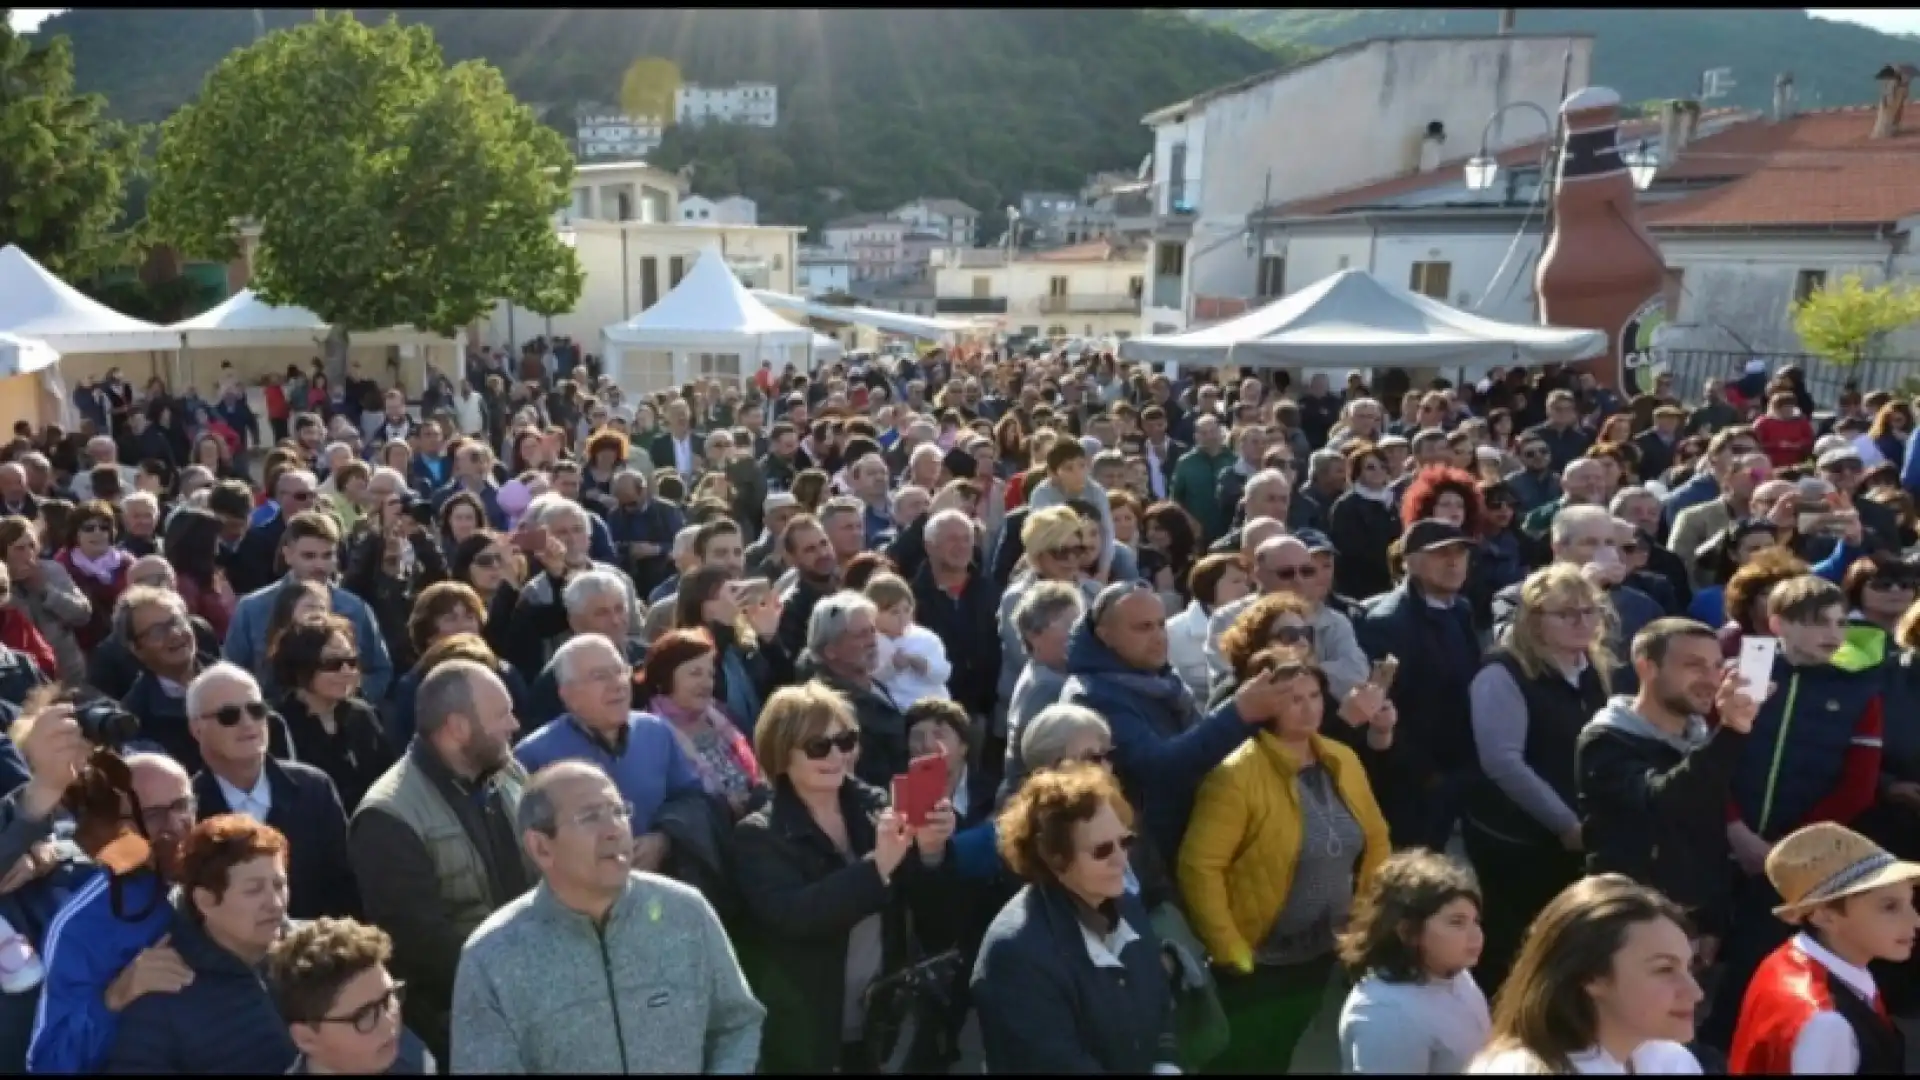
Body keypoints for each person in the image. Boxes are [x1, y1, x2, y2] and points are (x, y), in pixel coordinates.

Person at [450, 760, 764, 1072]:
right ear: (541, 847)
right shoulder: (492, 957)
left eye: (618, 811)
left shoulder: (686, 913)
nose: (614, 829)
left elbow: (736, 1024)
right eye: (589, 817)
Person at [1179, 646, 1394, 1072]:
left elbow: (1377, 838)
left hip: (1323, 951)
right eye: (1293, 698)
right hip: (1259, 961)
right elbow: (1199, 867)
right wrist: (1231, 951)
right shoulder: (1236, 775)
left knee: (1284, 1048)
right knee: (1244, 1059)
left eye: (1314, 695)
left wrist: (1365, 921)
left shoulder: (1342, 757)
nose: (1308, 708)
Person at [729, 683, 957, 1074]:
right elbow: (795, 917)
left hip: (886, 1017)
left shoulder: (876, 809)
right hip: (811, 1031)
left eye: (846, 740)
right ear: (782, 754)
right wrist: (876, 868)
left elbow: (933, 913)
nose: (837, 755)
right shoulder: (759, 835)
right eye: (819, 746)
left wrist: (933, 851)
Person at [348, 660, 534, 1065]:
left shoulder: (509, 774)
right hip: (462, 1025)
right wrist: (521, 982)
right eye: (502, 713)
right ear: (458, 728)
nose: (515, 725)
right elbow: (422, 946)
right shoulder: (388, 816)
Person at [971, 765, 1180, 1073]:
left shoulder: (1127, 907)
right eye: (1102, 850)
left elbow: (1160, 1005)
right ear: (1055, 858)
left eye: (1125, 841)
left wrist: (1166, 1067)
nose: (1122, 861)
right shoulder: (1016, 954)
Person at [1466, 565, 1616, 995]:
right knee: (1515, 950)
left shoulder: (1592, 667)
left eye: (1590, 611)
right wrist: (1564, 823)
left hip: (1577, 838)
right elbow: (1503, 762)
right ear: (1533, 620)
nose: (1582, 622)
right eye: (1566, 613)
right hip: (1519, 842)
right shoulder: (1502, 675)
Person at [1577, 618, 1760, 959]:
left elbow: (1709, 837)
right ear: (1647, 667)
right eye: (1693, 665)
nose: (1710, 679)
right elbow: (1666, 801)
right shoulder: (1606, 741)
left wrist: (1712, 921)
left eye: (1717, 666)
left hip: (1692, 929)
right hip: (1625, 927)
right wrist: (1732, 732)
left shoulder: (1701, 741)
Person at [1727, 822, 1918, 1074]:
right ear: (1824, 916)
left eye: (1910, 903)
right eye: (1889, 907)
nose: (1915, 920)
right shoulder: (1827, 1023)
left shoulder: (1794, 957)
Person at [1467, 874, 1703, 1074]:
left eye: (1689, 967)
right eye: (1664, 969)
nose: (1696, 993)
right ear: (1591, 976)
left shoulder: (1673, 1062)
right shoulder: (1520, 1069)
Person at [186, 662, 359, 921]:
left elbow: (346, 887)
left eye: (256, 710)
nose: (248, 723)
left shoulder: (313, 788)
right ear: (197, 729)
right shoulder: (188, 806)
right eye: (229, 715)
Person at [514, 634, 706, 863]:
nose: (616, 684)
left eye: (619, 671)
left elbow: (693, 799)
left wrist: (664, 838)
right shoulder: (533, 756)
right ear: (568, 695)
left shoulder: (655, 732)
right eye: (599, 676)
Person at [1336, 850, 1490, 1075]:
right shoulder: (1386, 1016)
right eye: (1457, 923)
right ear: (1408, 932)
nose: (1476, 936)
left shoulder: (1452, 971)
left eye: (1475, 921)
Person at [266, 917, 432, 1075]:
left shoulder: (413, 1059)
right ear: (306, 1039)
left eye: (389, 998)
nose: (389, 1023)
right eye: (364, 1015)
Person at [271, 613, 396, 814]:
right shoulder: (278, 725)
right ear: (302, 666)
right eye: (332, 664)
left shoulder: (362, 716)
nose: (347, 671)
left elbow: (387, 778)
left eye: (352, 661)